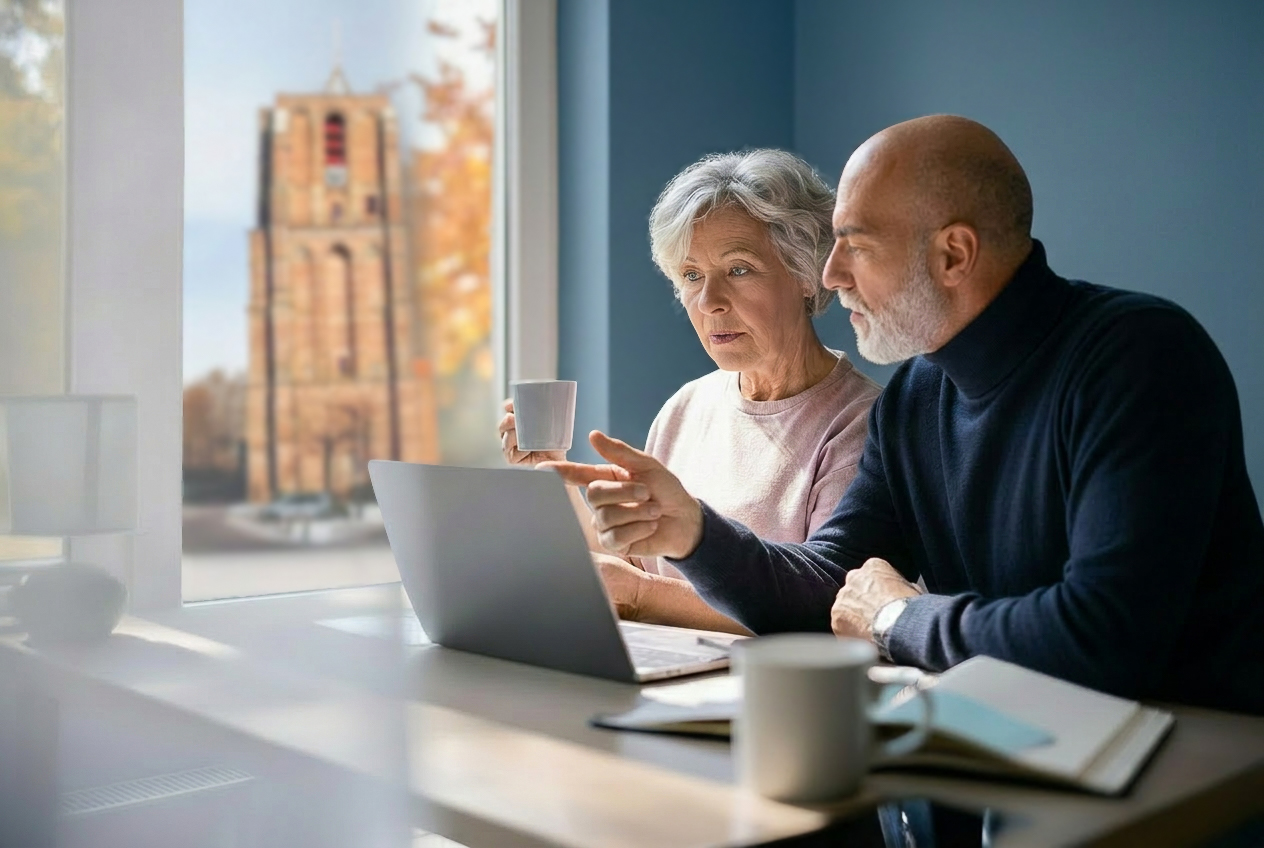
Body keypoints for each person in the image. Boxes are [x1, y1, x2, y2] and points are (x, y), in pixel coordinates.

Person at [547, 116, 1264, 714]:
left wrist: (897, 617)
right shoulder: (920, 394)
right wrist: (693, 532)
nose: (830, 274)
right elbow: (830, 583)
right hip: (1025, 735)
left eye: (854, 244)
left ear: (953, 254)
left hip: (1180, 757)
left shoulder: (1139, 357)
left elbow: (1102, 639)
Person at [499, 149, 880, 634]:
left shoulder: (860, 425)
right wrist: (548, 469)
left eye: (738, 269)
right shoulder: (687, 407)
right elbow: (628, 576)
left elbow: (828, 608)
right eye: (691, 276)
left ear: (806, 273)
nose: (709, 302)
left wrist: (640, 595)